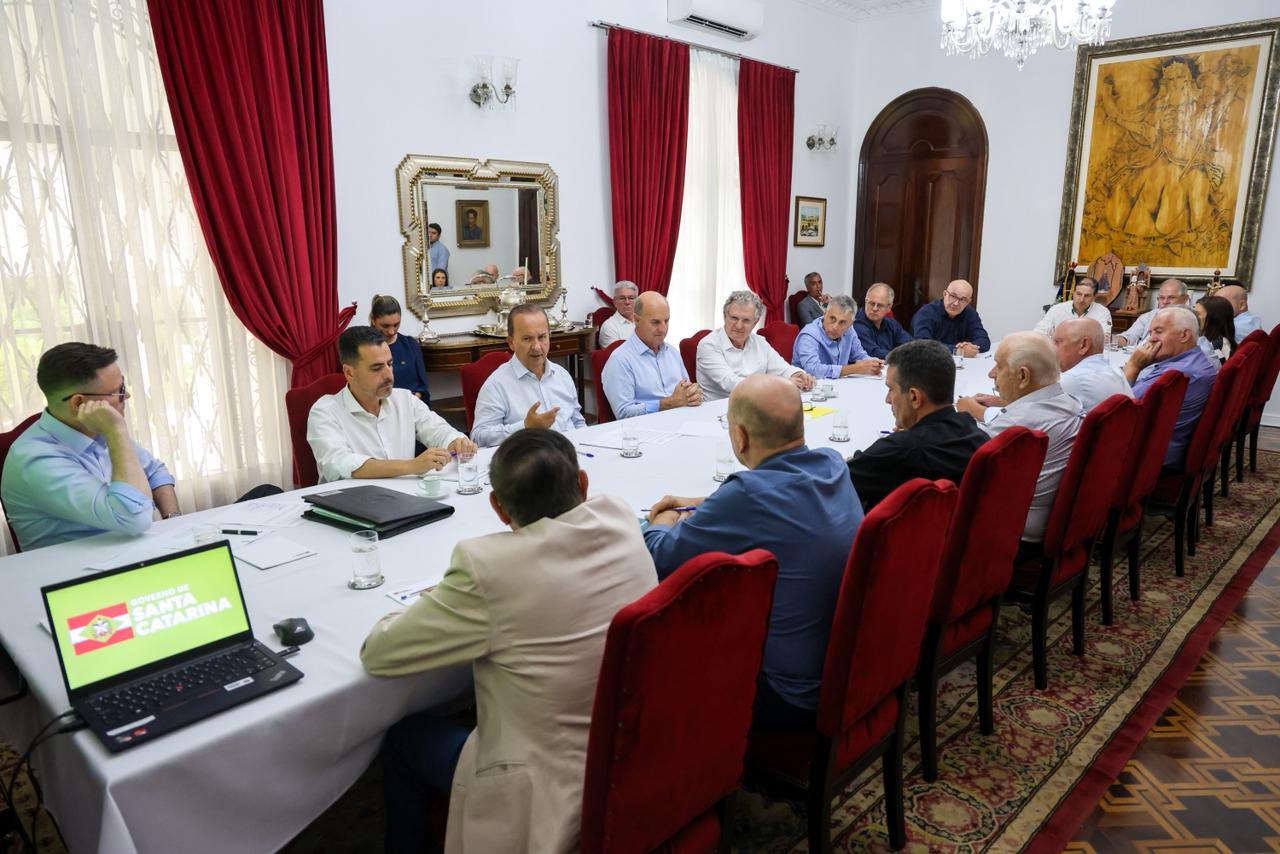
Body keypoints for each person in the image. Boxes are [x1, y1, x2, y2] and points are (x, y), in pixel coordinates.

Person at [361, 429, 657, 853]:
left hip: (551, 785)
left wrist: (436, 604)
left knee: (404, 737)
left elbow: (380, 654)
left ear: (497, 508)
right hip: (633, 743)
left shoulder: (487, 568)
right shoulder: (619, 515)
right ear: (585, 484)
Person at [642, 374, 861, 725]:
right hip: (849, 668)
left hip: (789, 694)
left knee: (662, 646)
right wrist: (701, 503)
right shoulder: (833, 464)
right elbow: (771, 493)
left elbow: (658, 558)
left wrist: (666, 516)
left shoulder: (747, 494)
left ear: (739, 437)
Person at [2, 342, 179, 550]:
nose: (127, 397)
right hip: (75, 576)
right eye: (119, 391)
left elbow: (155, 472)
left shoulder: (94, 429)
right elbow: (135, 519)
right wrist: (117, 432)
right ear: (79, 404)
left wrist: (173, 520)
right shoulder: (33, 460)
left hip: (130, 556)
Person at [957, 332, 1083, 542]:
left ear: (1023, 376)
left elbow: (963, 469)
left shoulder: (1016, 429)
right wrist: (1009, 403)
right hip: (1057, 517)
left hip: (1014, 528)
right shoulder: (1069, 401)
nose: (991, 374)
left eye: (999, 366)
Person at [307, 326, 475, 483]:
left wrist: (457, 442)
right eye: (376, 368)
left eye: (390, 364)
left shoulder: (405, 400)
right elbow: (338, 464)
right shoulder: (325, 411)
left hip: (407, 499)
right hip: (350, 505)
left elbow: (439, 432)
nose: (389, 375)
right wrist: (412, 466)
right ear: (349, 372)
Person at [847, 339, 987, 509]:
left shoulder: (901, 451)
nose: (887, 400)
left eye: (891, 389)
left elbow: (835, 483)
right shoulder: (973, 431)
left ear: (914, 396)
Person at [471, 305, 586, 447]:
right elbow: (479, 436)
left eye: (542, 337)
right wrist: (525, 427)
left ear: (550, 336)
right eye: (527, 339)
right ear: (511, 342)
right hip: (529, 463)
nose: (537, 347)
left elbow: (577, 421)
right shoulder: (496, 385)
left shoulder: (562, 375)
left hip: (573, 457)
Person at [1121, 306, 1219, 467]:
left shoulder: (1176, 375)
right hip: (1166, 445)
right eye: (1150, 332)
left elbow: (1120, 411)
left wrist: (1133, 366)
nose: (1150, 339)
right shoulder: (1193, 358)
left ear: (1184, 335)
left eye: (1158, 331)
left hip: (1148, 455)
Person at [697, 290, 815, 402]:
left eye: (746, 320)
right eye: (734, 318)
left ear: (755, 322)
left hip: (759, 407)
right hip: (718, 412)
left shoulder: (759, 342)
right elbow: (732, 384)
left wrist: (799, 375)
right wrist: (783, 385)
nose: (738, 326)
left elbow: (783, 368)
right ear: (724, 316)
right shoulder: (708, 345)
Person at [601, 291, 702, 418]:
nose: (663, 329)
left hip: (682, 422)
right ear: (636, 320)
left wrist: (693, 394)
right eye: (655, 322)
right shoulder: (620, 360)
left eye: (666, 321)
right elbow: (623, 413)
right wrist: (668, 403)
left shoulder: (672, 353)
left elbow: (685, 392)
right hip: (645, 431)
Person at [791, 295, 884, 379]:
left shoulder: (849, 330)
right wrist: (856, 368)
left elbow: (859, 354)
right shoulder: (809, 335)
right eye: (832, 318)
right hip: (810, 390)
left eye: (842, 322)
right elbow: (813, 370)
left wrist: (872, 363)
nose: (835, 327)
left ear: (850, 323)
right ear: (824, 313)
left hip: (838, 386)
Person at [1053, 318, 1133, 411]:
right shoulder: (1114, 368)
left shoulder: (1072, 379)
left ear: (1084, 345)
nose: (1052, 348)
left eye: (1058, 342)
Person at [369, 294, 430, 403]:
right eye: (385, 326)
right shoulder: (366, 348)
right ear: (373, 320)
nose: (392, 331)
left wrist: (413, 401)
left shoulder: (410, 345)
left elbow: (423, 386)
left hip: (413, 405)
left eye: (396, 325)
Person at [911, 279, 991, 355]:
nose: (956, 303)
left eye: (963, 300)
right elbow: (923, 345)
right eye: (953, 296)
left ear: (968, 302)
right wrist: (957, 350)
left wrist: (971, 347)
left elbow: (984, 340)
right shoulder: (926, 313)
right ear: (945, 294)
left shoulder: (969, 313)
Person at [1118, 278, 1189, 345]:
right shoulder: (1148, 316)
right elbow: (1130, 336)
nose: (1165, 302)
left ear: (1185, 299)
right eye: (1161, 298)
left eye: (1171, 297)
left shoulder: (1191, 321)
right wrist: (1115, 340)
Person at [1033, 278, 1113, 336]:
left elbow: (1104, 338)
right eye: (1078, 294)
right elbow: (1039, 332)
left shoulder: (1102, 312)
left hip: (1088, 354)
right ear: (1073, 293)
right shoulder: (1057, 309)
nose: (1081, 299)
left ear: (1094, 297)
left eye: (1087, 296)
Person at [854, 282, 912, 358]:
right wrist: (902, 355)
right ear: (865, 301)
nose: (874, 309)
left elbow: (911, 344)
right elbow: (874, 353)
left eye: (880, 305)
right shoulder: (856, 324)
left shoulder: (891, 323)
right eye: (871, 303)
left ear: (889, 307)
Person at [1195, 295, 1237, 363]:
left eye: (1197, 314)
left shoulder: (1217, 345)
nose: (1193, 317)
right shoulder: (1209, 340)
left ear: (1213, 318)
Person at [597, 280, 638, 347]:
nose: (627, 302)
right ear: (615, 302)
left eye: (631, 298)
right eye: (622, 298)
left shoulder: (644, 321)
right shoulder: (609, 327)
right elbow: (618, 355)